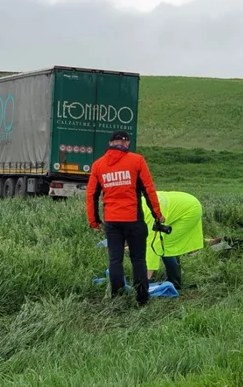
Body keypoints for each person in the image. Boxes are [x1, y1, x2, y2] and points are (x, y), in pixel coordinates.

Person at [86, 130, 165, 306]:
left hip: (112, 221)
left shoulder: (98, 165)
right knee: (138, 259)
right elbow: (148, 190)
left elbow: (91, 194)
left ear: (110, 143)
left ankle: (118, 296)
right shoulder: (136, 161)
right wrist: (157, 215)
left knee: (115, 259)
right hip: (133, 219)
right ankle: (142, 299)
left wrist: (94, 220)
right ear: (127, 143)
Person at [142, 191, 203, 290]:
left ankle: (174, 282)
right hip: (184, 202)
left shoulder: (148, 215)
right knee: (166, 242)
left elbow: (152, 246)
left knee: (165, 245)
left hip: (191, 209)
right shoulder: (140, 204)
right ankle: (173, 279)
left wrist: (145, 280)